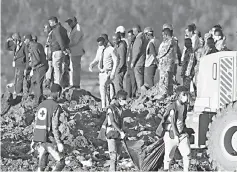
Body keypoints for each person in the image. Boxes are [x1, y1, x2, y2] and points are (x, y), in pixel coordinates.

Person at [31, 83, 65, 172]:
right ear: (58, 93)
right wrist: (58, 142)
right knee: (61, 161)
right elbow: (54, 126)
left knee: (43, 160)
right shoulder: (55, 106)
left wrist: (33, 140)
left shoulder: (41, 104)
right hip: (47, 137)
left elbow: (35, 122)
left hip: (38, 137)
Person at [156, 86, 191, 172]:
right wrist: (176, 136)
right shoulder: (173, 106)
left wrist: (184, 131)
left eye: (186, 94)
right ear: (179, 96)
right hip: (171, 134)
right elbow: (172, 122)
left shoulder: (184, 107)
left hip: (181, 134)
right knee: (168, 156)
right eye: (184, 95)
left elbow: (182, 120)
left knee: (187, 153)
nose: (186, 97)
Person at [89, 36, 118, 109]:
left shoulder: (111, 49)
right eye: (99, 45)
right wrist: (92, 65)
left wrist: (113, 72)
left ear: (105, 42)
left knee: (108, 90)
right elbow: (97, 59)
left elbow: (115, 60)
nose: (101, 46)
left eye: (102, 44)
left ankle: (109, 106)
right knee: (102, 91)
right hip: (101, 72)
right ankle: (103, 106)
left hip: (108, 72)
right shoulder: (100, 50)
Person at [105, 90, 127, 171]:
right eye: (124, 99)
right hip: (112, 133)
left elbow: (121, 120)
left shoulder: (120, 108)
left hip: (118, 133)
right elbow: (113, 121)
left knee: (118, 156)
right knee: (113, 156)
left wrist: (123, 131)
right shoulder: (111, 108)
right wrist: (120, 131)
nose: (125, 101)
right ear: (119, 99)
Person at [24, 34, 48, 106]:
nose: (24, 42)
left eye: (25, 40)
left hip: (40, 67)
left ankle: (38, 102)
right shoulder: (36, 45)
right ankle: (39, 98)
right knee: (33, 81)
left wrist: (30, 66)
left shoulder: (33, 47)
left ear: (28, 40)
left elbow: (37, 59)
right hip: (38, 67)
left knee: (38, 83)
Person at [48, 16, 70, 86]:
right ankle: (61, 83)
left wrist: (63, 48)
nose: (50, 24)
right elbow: (67, 40)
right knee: (60, 68)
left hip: (57, 50)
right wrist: (65, 48)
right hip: (62, 51)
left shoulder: (56, 29)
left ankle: (58, 84)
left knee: (57, 69)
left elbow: (59, 39)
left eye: (50, 22)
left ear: (54, 22)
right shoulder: (63, 29)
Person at [65, 17, 85, 88]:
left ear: (74, 22)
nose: (69, 24)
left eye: (70, 22)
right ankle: (73, 83)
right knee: (72, 68)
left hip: (76, 52)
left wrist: (65, 44)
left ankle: (75, 84)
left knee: (75, 69)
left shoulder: (78, 29)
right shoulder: (73, 29)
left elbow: (74, 41)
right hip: (73, 52)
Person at [157, 28, 175, 99]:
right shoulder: (172, 41)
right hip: (168, 65)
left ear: (166, 35)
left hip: (165, 65)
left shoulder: (169, 42)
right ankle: (169, 95)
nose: (163, 37)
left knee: (163, 81)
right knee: (169, 81)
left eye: (163, 35)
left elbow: (163, 52)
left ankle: (163, 95)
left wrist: (157, 56)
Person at [131, 25, 148, 95]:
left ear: (137, 31)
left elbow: (137, 51)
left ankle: (142, 95)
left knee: (139, 81)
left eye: (134, 32)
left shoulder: (139, 38)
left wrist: (133, 62)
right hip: (143, 61)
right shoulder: (144, 37)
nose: (133, 33)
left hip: (138, 62)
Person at [124, 30, 137, 98]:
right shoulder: (129, 45)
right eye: (128, 36)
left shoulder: (135, 44)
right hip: (128, 67)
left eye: (130, 36)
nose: (129, 38)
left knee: (133, 83)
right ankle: (128, 97)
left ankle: (133, 97)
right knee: (127, 83)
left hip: (133, 67)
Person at [44, 23, 54, 88]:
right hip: (49, 56)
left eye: (45, 28)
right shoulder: (49, 35)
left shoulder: (52, 35)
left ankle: (48, 81)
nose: (44, 30)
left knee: (50, 69)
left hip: (51, 56)